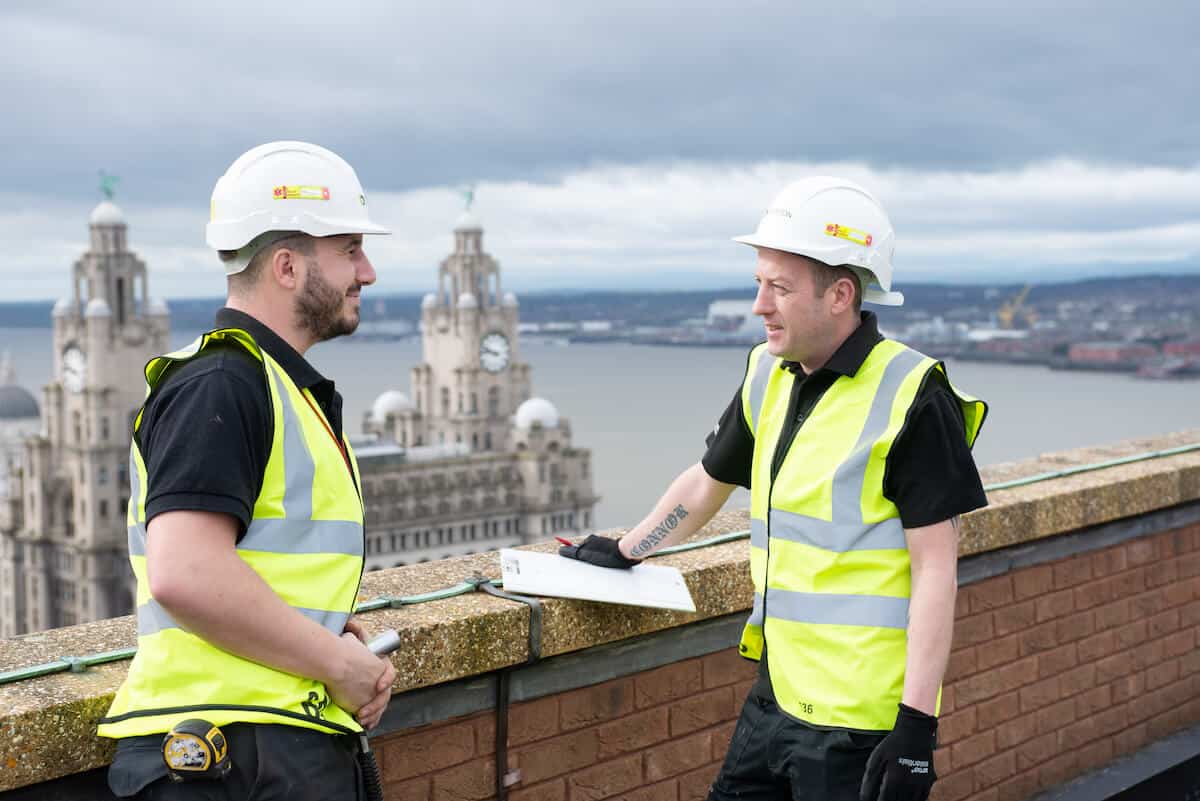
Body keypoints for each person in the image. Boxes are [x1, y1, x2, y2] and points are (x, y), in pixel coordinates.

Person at [560, 176, 988, 801]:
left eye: (779, 288)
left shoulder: (912, 395)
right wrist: (629, 548)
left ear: (840, 294)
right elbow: (708, 482)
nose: (760, 305)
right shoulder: (769, 372)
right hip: (777, 695)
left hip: (858, 724)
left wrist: (917, 729)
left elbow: (935, 570)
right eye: (759, 283)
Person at [98, 141, 396, 801]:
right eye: (350, 249)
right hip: (231, 758)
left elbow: (262, 559)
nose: (368, 272)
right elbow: (186, 572)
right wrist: (334, 662)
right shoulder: (222, 383)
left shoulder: (273, 386)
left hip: (264, 749)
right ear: (287, 266)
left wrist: (329, 637)